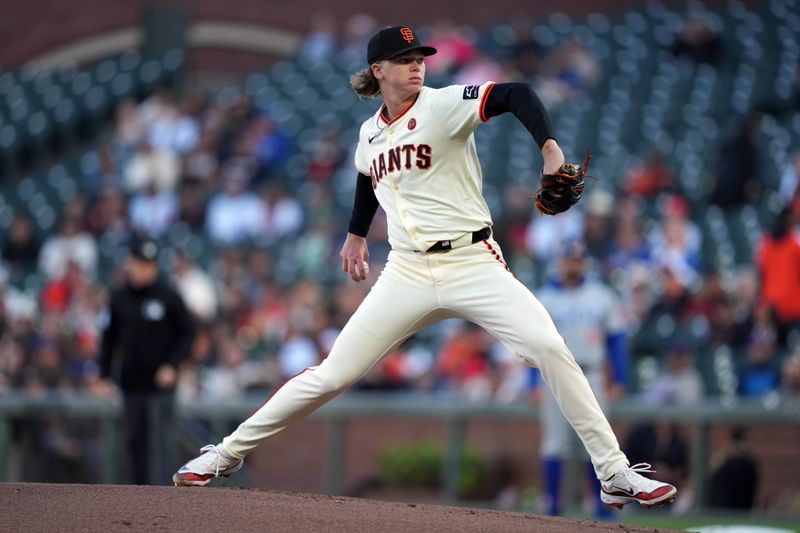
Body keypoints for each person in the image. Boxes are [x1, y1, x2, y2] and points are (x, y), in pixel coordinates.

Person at [173, 25, 677, 510]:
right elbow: (367, 179)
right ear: (379, 70)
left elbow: (516, 93)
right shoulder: (369, 135)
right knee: (330, 375)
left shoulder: (443, 105)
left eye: (420, 60)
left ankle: (613, 473)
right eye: (406, 61)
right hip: (406, 272)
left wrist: (548, 147)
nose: (417, 67)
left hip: (471, 260)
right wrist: (353, 234)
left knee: (549, 347)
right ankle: (226, 453)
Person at [528, 240, 628, 517]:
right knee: (553, 443)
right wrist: (531, 381)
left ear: (584, 262)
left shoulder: (601, 296)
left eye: (578, 259)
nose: (573, 264)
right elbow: (532, 342)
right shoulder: (544, 297)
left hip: (591, 372)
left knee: (596, 441)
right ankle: (551, 506)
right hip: (554, 375)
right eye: (569, 259)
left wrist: (619, 377)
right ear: (560, 262)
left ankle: (601, 506)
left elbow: (616, 339)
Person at [98, 238, 196, 484]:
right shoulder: (119, 298)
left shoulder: (169, 296)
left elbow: (187, 333)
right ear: (129, 263)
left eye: (149, 264)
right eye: (139, 263)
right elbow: (109, 339)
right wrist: (104, 375)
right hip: (130, 382)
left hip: (160, 385)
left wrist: (172, 364)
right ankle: (135, 496)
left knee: (159, 441)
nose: (144, 269)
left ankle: (160, 496)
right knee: (133, 442)